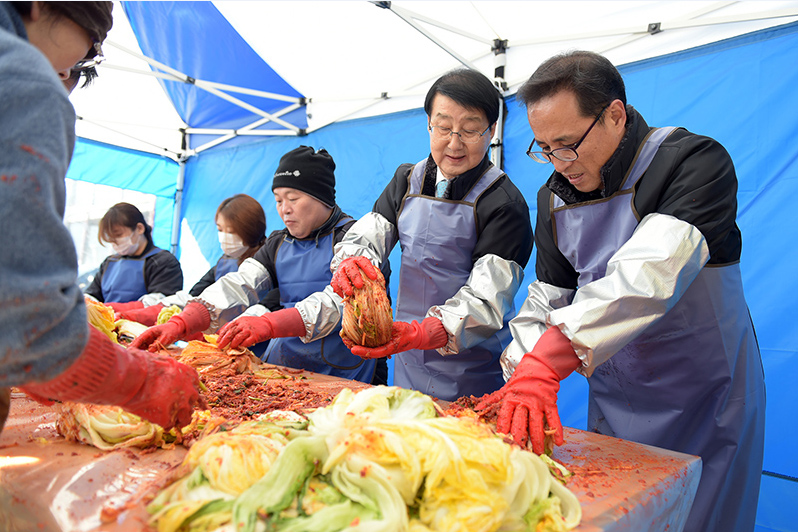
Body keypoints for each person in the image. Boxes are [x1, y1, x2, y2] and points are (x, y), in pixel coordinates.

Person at [477, 51, 765, 532]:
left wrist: (547, 361)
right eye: (543, 147)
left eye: (566, 144)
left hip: (706, 399)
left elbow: (649, 274)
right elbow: (549, 297)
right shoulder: (553, 197)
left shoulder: (692, 161)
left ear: (615, 115)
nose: (556, 162)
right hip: (616, 398)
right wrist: (518, 380)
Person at [0, 1, 202, 434]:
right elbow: (29, 321)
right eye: (90, 42)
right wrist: (141, 380)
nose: (75, 66)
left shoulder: (161, 261)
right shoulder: (22, 78)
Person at [329, 68, 533, 402]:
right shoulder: (406, 180)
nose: (454, 143)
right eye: (443, 128)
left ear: (491, 130)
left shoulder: (504, 203)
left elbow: (485, 299)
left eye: (469, 130)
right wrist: (352, 261)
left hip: (471, 368)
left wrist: (422, 332)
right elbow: (369, 235)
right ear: (428, 123)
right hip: (406, 357)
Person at [131, 146, 390, 385]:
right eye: (278, 200)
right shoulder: (278, 244)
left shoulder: (356, 241)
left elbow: (338, 303)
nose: (284, 210)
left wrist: (268, 324)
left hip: (345, 374)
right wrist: (182, 322)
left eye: (293, 198)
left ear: (322, 198)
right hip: (284, 369)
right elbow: (239, 284)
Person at [115, 193, 272, 326]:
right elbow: (195, 295)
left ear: (249, 228)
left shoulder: (268, 263)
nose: (223, 236)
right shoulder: (224, 262)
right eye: (219, 229)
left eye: (230, 230)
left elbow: (268, 306)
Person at [84, 202, 183, 305]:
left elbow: (162, 306)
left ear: (140, 228)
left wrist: (117, 312)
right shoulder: (109, 263)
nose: (115, 243)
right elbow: (92, 296)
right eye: (111, 239)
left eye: (118, 235)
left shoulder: (162, 262)